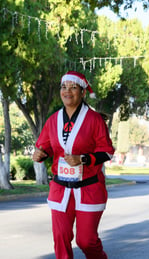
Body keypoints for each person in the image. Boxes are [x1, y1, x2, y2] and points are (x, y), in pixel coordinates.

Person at [32, 71, 114, 259]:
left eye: (73, 87)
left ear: (83, 92)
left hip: (89, 188)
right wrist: (40, 154)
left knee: (86, 241)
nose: (67, 91)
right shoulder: (53, 120)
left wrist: (83, 159)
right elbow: (45, 146)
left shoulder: (94, 120)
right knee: (61, 237)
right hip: (60, 189)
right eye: (64, 87)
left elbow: (107, 151)